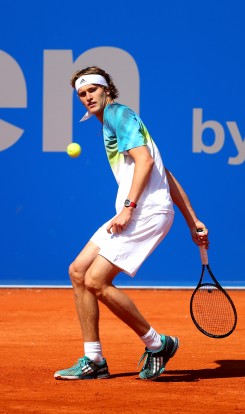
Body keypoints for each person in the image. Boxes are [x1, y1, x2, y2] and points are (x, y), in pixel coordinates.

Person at [54, 66, 209, 381]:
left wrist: (128, 207)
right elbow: (164, 174)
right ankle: (93, 360)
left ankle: (157, 344)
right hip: (139, 209)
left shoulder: (117, 115)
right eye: (82, 94)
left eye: (92, 90)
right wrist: (192, 219)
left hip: (144, 212)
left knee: (97, 280)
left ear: (106, 89)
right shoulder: (113, 122)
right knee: (79, 271)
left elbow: (146, 161)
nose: (87, 98)